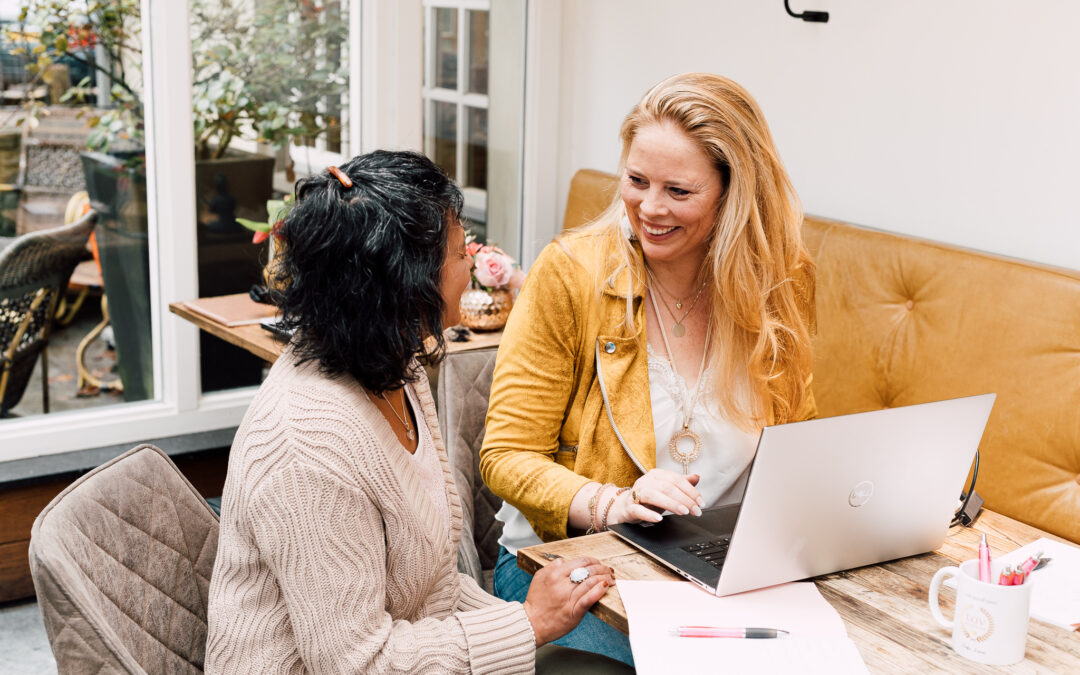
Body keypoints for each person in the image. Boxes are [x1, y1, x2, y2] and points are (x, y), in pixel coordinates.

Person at [206, 151, 630, 674]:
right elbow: (356, 665)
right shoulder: (306, 446)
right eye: (458, 252)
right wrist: (527, 623)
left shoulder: (395, 366)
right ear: (406, 283)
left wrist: (523, 619)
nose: (472, 261)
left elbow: (429, 588)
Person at [479, 73, 817, 664]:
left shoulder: (779, 284)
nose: (649, 209)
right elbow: (505, 457)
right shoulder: (571, 274)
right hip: (576, 571)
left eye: (679, 192)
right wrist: (610, 502)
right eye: (636, 181)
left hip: (724, 577)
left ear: (732, 193)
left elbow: (798, 444)